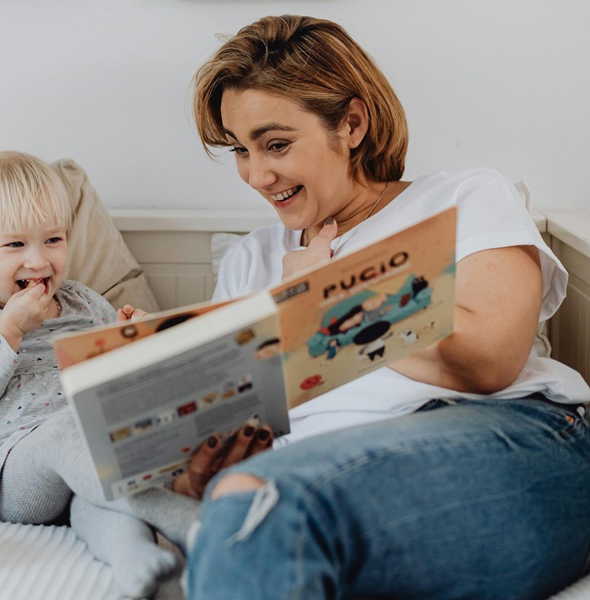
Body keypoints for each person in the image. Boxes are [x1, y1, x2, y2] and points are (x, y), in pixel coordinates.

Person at [180, 15, 590, 600]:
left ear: (351, 123)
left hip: (507, 438)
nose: (256, 174)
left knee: (261, 505)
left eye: (275, 144)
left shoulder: (462, 199)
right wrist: (201, 461)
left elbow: (489, 360)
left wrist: (324, 295)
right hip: (322, 475)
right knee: (241, 502)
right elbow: (242, 425)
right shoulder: (250, 261)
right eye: (240, 150)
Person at [0, 150, 198, 598]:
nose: (39, 261)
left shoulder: (86, 304)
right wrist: (10, 330)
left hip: (85, 473)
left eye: (53, 240)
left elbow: (117, 385)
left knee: (100, 502)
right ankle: (188, 523)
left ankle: (136, 559)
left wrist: (131, 340)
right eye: (16, 244)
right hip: (2, 475)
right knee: (66, 431)